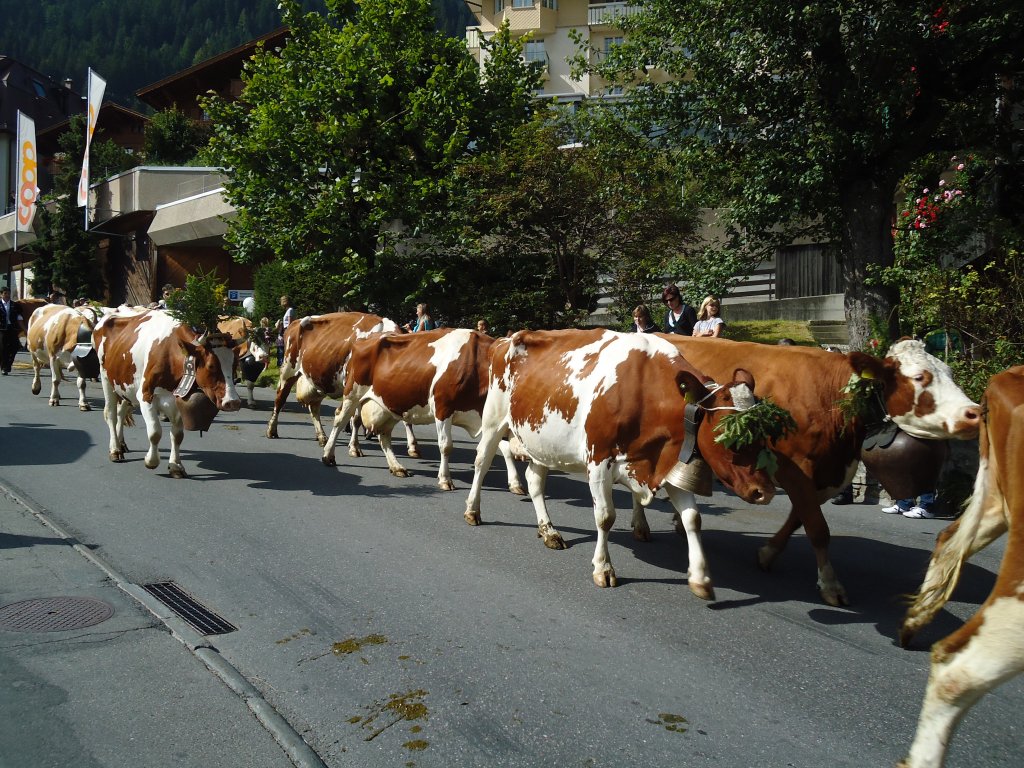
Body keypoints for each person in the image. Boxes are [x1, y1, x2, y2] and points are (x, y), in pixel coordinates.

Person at [0, 287, 23, 375]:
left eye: (8, 293)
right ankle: (4, 367)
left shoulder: (15, 305)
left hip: (13, 329)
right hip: (2, 329)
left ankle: (9, 364)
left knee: (15, 347)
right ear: (1, 294)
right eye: (5, 293)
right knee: (3, 349)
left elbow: (20, 318)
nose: (7, 295)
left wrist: (25, 329)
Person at [275, 295, 295, 366]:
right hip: (285, 329)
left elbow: (290, 322)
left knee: (288, 346)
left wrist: (288, 331)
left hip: (288, 329)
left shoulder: (290, 310)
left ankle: (289, 362)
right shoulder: (288, 310)